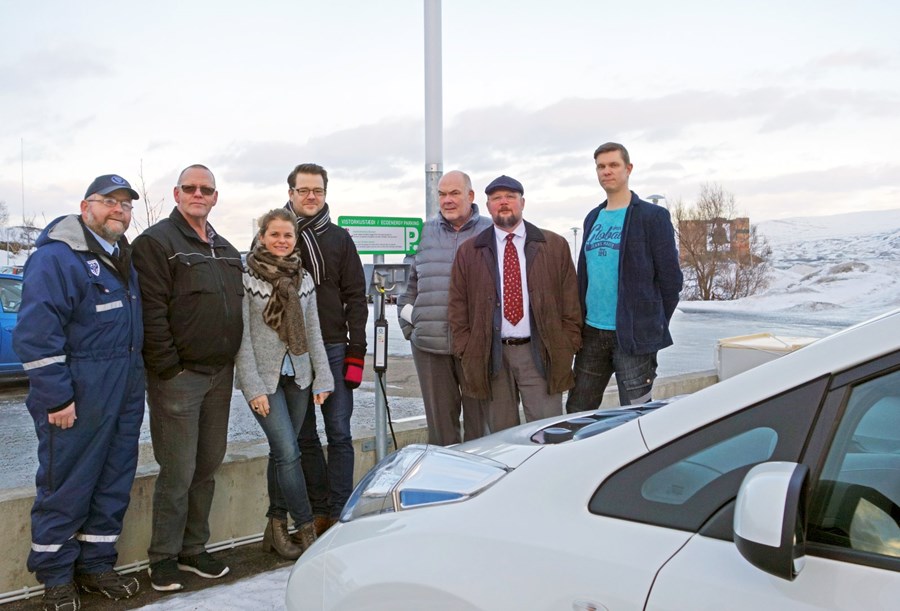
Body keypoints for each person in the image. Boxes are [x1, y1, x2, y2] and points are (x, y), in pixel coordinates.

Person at [14, 174, 145, 610]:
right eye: (109, 201)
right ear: (86, 206)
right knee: (66, 484)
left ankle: (96, 565)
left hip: (123, 391)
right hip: (77, 395)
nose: (119, 210)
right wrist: (56, 397)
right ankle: (55, 577)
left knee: (112, 481)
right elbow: (37, 334)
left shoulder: (120, 256)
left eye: (126, 204)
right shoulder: (58, 258)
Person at [132, 164, 244, 592]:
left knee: (208, 464)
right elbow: (152, 311)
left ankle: (194, 548)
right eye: (190, 188)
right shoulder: (157, 242)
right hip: (179, 377)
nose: (199, 194)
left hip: (220, 375)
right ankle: (163, 556)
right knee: (177, 469)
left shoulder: (226, 249)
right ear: (177, 194)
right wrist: (169, 367)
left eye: (206, 189)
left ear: (215, 197)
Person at [234, 208, 334, 560]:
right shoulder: (246, 277)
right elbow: (242, 337)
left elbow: (314, 331)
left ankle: (275, 528)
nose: (281, 240)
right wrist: (252, 387)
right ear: (262, 236)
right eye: (274, 234)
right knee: (289, 453)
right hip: (265, 381)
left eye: (287, 235)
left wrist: (323, 377)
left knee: (282, 453)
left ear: (295, 239)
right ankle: (307, 529)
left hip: (299, 378)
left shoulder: (303, 278)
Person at [448, 175, 582, 432]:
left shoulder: (553, 245)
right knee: (503, 437)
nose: (504, 202)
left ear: (523, 202)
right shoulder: (469, 251)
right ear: (488, 206)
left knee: (547, 433)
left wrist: (567, 344)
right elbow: (457, 307)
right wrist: (467, 348)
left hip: (540, 353)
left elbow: (570, 302)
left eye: (510, 197)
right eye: (496, 198)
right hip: (492, 356)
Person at [566, 142, 682, 412]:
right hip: (592, 333)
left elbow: (671, 281)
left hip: (633, 336)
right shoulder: (593, 217)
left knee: (636, 414)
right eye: (601, 166)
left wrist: (650, 322)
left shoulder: (652, 217)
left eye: (613, 165)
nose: (606, 171)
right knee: (578, 410)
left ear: (628, 169)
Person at [283, 163, 367, 534]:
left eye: (317, 190)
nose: (311, 197)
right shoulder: (277, 235)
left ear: (325, 193)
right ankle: (317, 510)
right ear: (291, 193)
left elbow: (356, 297)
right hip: (294, 352)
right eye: (303, 190)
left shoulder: (339, 239)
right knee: (304, 437)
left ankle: (339, 511)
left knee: (339, 433)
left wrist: (356, 353)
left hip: (333, 347)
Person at [397, 170, 492, 445]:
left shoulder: (491, 232)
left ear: (470, 196)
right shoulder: (423, 233)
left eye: (454, 193)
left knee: (481, 429)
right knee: (440, 431)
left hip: (476, 347)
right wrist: (411, 325)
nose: (447, 200)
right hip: (430, 347)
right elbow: (406, 286)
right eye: (442, 194)